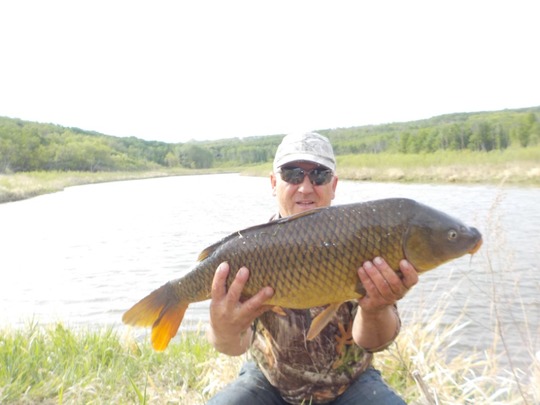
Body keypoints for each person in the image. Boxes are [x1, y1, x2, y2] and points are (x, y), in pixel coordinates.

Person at [206, 132, 419, 405]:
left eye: (319, 175)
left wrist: (375, 309)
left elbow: (375, 342)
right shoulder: (250, 251)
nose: (305, 187)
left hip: (351, 384)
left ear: (334, 185)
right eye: (292, 174)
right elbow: (232, 347)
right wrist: (223, 328)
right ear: (274, 183)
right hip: (269, 382)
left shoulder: (363, 236)